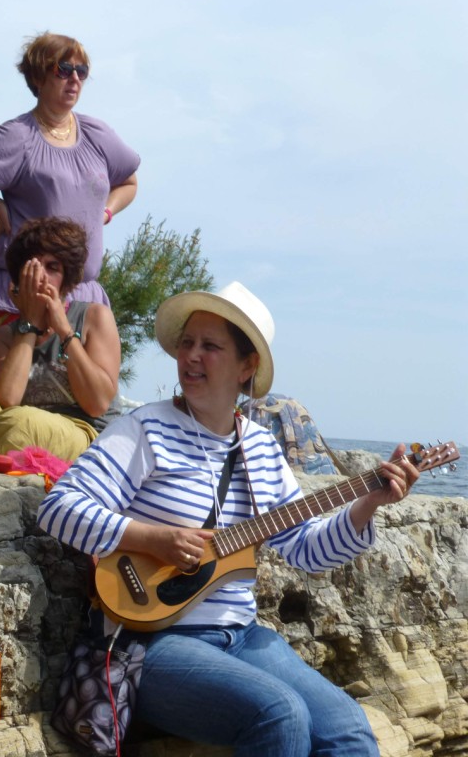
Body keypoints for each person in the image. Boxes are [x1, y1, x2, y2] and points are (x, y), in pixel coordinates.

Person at [37, 281, 420, 756]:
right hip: (152, 644)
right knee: (279, 713)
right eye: (187, 343)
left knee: (349, 729)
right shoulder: (145, 429)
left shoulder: (261, 448)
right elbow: (59, 507)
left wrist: (369, 502)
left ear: (247, 366)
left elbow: (307, 551)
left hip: (241, 637)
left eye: (210, 346)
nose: (191, 356)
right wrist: (151, 538)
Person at [0, 32, 141, 385]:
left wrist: (105, 212)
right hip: (18, 298)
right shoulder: (16, 137)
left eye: (82, 71)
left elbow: (129, 183)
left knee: (75, 404)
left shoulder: (98, 135)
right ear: (38, 76)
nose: (74, 79)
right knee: (1, 402)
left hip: (82, 299)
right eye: (63, 69)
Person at [0, 216, 121, 472]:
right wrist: (30, 324)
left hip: (82, 433)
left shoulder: (94, 317)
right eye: (33, 267)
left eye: (52, 268)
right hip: (15, 424)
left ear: (67, 279)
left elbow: (97, 403)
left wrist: (64, 331)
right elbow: (7, 399)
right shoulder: (4, 336)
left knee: (22, 423)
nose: (41, 277)